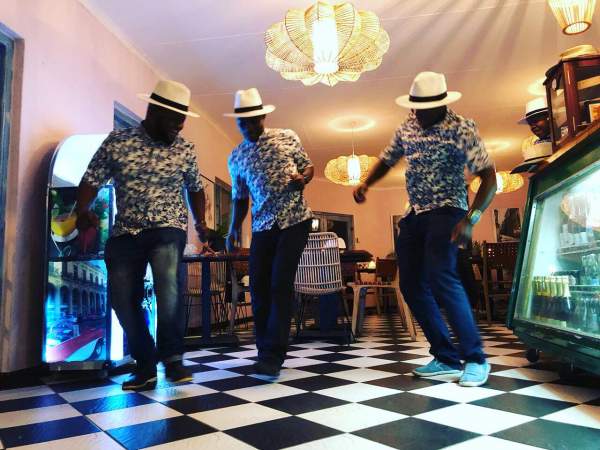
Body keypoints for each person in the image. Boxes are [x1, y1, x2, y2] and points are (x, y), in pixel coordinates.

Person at [353, 72, 497, 387]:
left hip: (448, 210)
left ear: (441, 105)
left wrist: (471, 219)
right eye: (414, 108)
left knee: (441, 277)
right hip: (414, 213)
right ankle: (445, 357)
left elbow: (489, 177)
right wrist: (366, 183)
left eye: (424, 109)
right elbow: (387, 160)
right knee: (411, 285)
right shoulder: (407, 126)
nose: (417, 114)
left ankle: (475, 359)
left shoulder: (461, 128)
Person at [76, 80, 208, 390]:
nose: (180, 126)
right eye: (174, 119)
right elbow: (91, 179)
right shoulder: (117, 142)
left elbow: (195, 188)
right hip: (126, 230)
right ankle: (145, 364)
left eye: (183, 120)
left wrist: (200, 220)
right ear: (153, 111)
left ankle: (173, 359)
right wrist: (82, 209)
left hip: (167, 227)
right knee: (122, 300)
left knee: (168, 287)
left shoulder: (185, 148)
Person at [225, 88, 314, 377]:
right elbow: (240, 198)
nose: (250, 127)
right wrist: (233, 229)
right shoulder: (236, 157)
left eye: (255, 121)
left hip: (295, 220)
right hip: (262, 225)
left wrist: (303, 179)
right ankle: (264, 351)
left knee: (279, 284)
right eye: (244, 123)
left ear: (263, 117)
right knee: (258, 287)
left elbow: (308, 167)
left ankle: (274, 356)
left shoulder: (287, 136)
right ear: (237, 122)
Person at [512, 97, 552, 174]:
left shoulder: (562, 139)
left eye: (536, 121)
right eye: (530, 124)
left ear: (549, 118)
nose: (532, 126)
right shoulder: (534, 144)